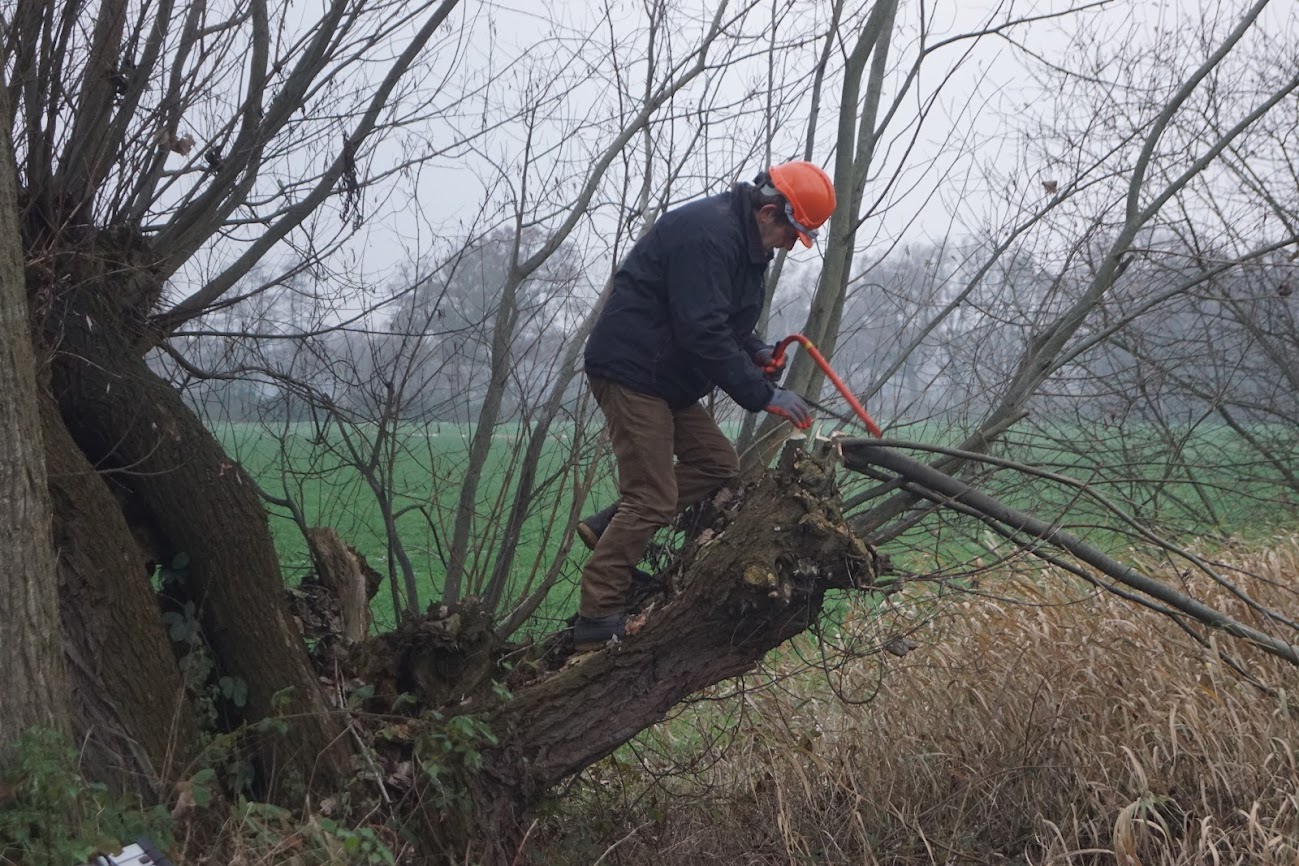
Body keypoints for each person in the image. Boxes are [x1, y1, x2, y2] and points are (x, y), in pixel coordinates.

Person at [572, 160, 837, 649]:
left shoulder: (745, 245)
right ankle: (597, 615)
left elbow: (726, 324)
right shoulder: (707, 235)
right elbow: (702, 331)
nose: (787, 246)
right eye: (790, 233)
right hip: (633, 372)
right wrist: (763, 394)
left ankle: (610, 525)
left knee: (717, 465)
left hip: (665, 378)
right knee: (651, 497)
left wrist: (756, 351)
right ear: (769, 211)